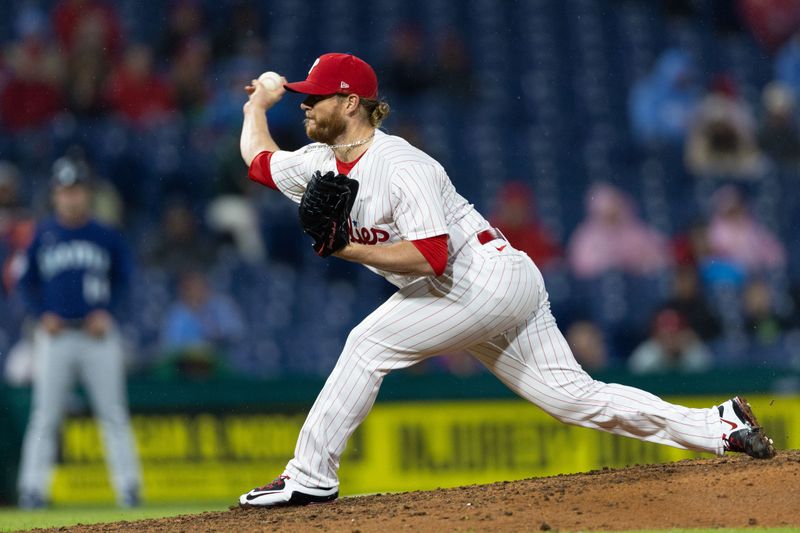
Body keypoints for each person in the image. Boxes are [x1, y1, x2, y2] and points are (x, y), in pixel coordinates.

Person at [237, 53, 775, 508]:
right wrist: (256, 105)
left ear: (351, 102)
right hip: (477, 290)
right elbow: (259, 160)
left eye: (317, 96)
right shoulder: (319, 163)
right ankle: (718, 426)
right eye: (303, 96)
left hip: (483, 278)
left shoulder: (404, 166)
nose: (305, 104)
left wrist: (344, 247)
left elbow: (431, 256)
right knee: (573, 399)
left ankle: (309, 478)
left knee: (366, 345)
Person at [16, 155, 141, 509]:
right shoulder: (42, 234)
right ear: (56, 194)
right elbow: (25, 284)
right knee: (45, 416)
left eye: (77, 190)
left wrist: (109, 311)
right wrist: (42, 315)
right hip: (55, 337)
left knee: (113, 413)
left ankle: (128, 488)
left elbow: (125, 280)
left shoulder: (105, 235)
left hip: (97, 336)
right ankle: (32, 490)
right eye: (65, 190)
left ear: (87, 194)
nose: (71, 197)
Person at [627, 308, 714, 375]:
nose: (670, 339)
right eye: (665, 335)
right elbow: (635, 379)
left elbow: (708, 376)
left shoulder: (694, 351)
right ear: (656, 335)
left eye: (674, 334)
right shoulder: (646, 354)